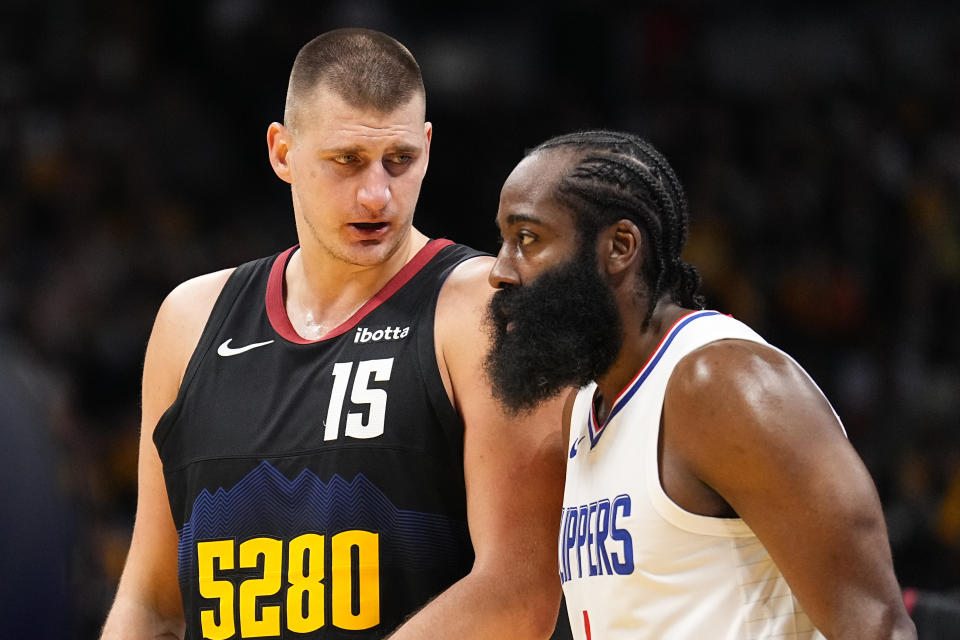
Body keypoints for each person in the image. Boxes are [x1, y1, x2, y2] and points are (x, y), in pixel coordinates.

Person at [99, 28, 568, 640]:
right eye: (346, 161)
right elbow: (153, 600)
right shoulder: (188, 321)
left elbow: (520, 589)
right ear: (283, 152)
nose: (377, 194)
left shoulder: (486, 310)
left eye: (399, 161)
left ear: (427, 146)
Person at [484, 129, 917, 639]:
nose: (500, 269)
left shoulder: (724, 385)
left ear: (619, 247)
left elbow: (878, 627)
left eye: (528, 238)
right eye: (504, 240)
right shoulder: (583, 407)